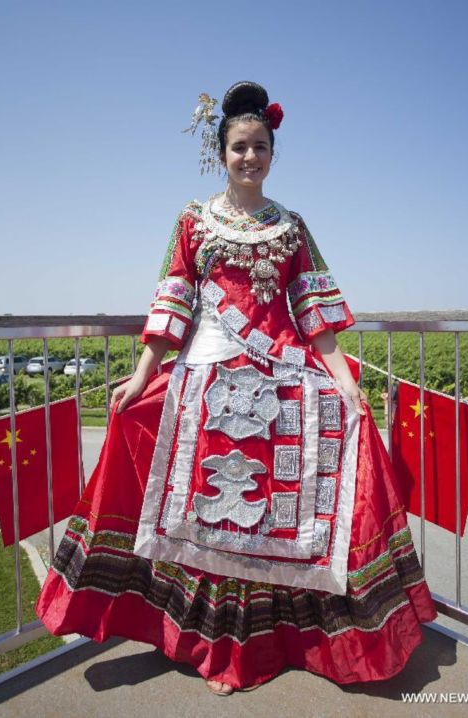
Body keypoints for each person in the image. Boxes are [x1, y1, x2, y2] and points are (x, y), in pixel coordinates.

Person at [36, 81, 437, 695]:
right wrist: (143, 374)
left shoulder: (293, 227)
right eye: (239, 148)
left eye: (260, 147)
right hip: (209, 381)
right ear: (220, 154)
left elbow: (315, 317)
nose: (250, 158)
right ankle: (217, 647)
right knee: (213, 515)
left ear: (274, 153)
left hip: (280, 381)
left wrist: (344, 381)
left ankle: (288, 641)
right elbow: (173, 301)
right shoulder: (192, 221)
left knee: (293, 491)